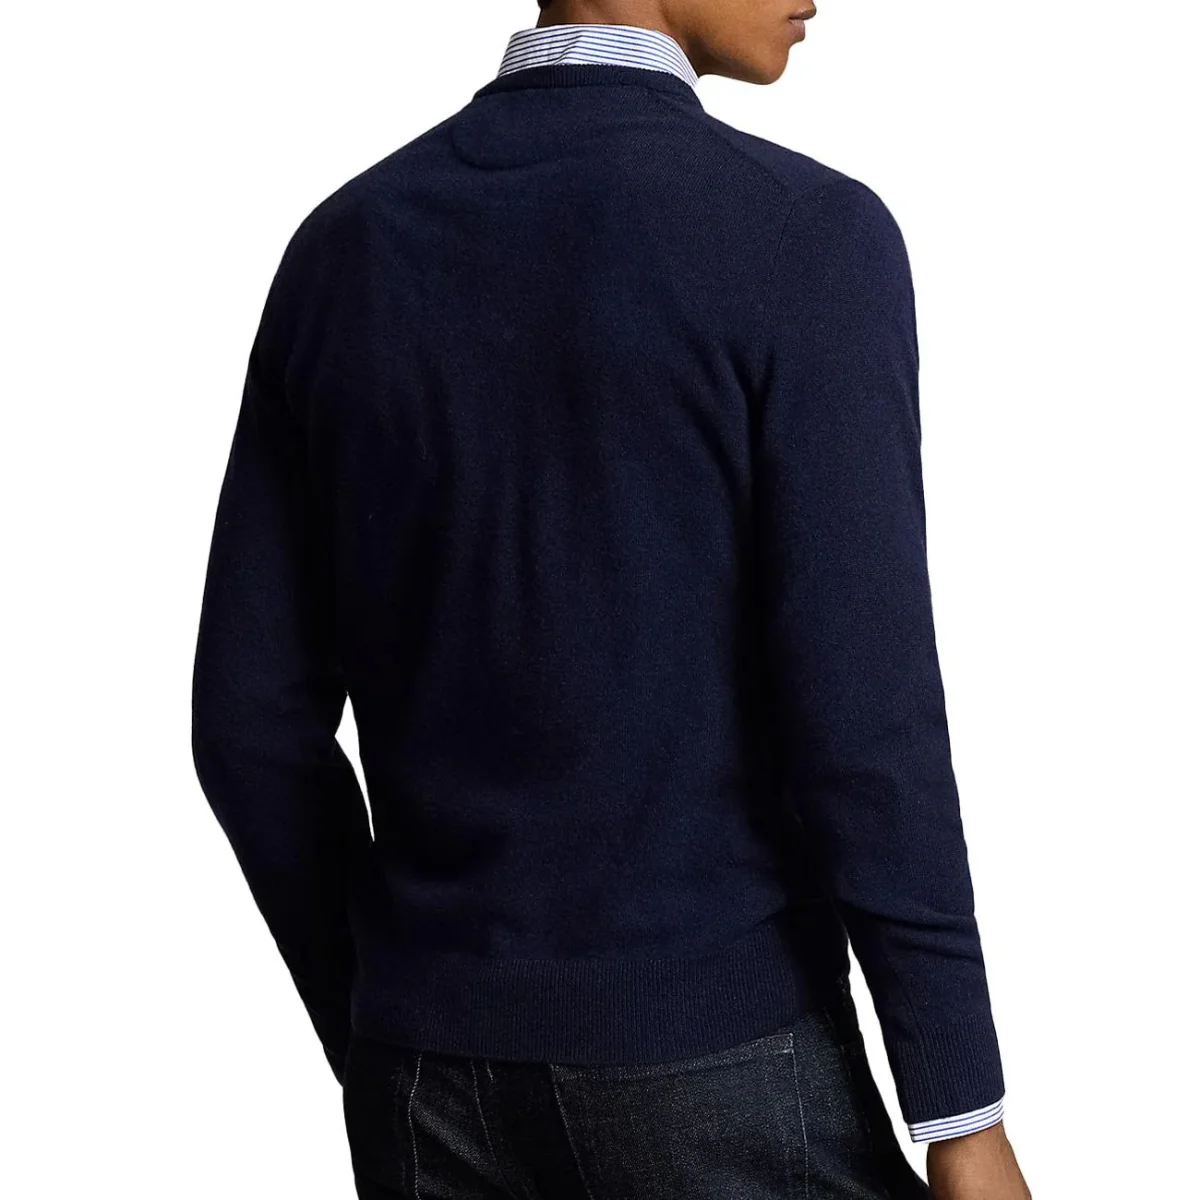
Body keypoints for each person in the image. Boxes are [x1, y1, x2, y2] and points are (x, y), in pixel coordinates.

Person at [190, 1, 1032, 1196]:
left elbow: (248, 725)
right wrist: (962, 1110)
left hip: (427, 1073)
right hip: (718, 1061)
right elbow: (865, 718)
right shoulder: (805, 236)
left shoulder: (343, 249)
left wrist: (391, 1019)